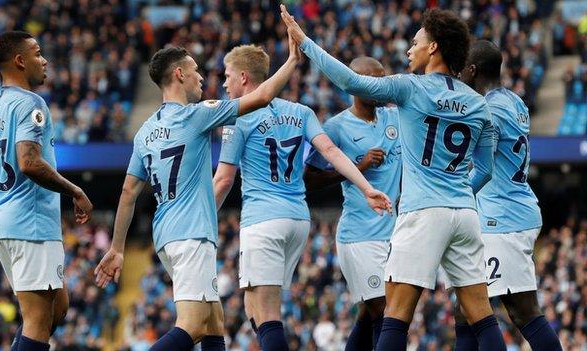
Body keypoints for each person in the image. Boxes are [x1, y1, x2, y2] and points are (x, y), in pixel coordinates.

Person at [281, 6, 506, 350]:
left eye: (416, 43)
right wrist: (457, 193)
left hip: (422, 214)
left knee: (395, 314)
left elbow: (351, 81)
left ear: (433, 48)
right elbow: (486, 169)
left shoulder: (409, 88)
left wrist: (305, 42)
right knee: (481, 315)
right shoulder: (478, 104)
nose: (408, 50)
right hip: (465, 213)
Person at [93, 31, 317, 351]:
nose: (202, 77)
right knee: (193, 323)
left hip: (167, 235)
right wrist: (294, 60)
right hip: (191, 235)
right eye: (196, 70)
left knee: (213, 322)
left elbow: (129, 192)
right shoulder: (197, 115)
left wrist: (117, 247)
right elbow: (262, 97)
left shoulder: (145, 133)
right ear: (179, 74)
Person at [212, 47, 392, 351]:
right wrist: (366, 187)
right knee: (253, 306)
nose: (225, 84)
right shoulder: (300, 112)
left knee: (267, 314)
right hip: (297, 219)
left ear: (243, 77)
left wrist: (201, 220)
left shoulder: (237, 117)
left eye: (227, 77)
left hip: (263, 219)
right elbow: (332, 153)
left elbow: (224, 179)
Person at [0, 31, 93, 351]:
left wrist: (2, 206)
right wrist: (75, 191)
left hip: (3, 222)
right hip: (31, 224)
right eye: (37, 53)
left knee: (58, 306)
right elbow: (28, 161)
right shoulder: (31, 103)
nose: (44, 60)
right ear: (19, 60)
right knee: (38, 321)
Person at [453, 40, 562, 351]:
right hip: (510, 211)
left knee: (519, 310)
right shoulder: (514, 101)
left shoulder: (488, 110)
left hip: (503, 219)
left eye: (462, 69)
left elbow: (479, 164)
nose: (459, 75)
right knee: (467, 311)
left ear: (472, 70)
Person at [303, 56, 401, 351]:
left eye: (383, 79)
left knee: (371, 314)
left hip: (393, 232)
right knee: (384, 312)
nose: (381, 87)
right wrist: (358, 167)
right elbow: (310, 180)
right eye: (374, 81)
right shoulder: (335, 128)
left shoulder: (394, 117)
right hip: (360, 235)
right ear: (354, 85)